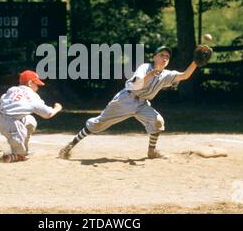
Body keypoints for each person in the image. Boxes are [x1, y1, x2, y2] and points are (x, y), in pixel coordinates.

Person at [58, 45, 200, 160]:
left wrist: (195, 62)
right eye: (161, 55)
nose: (164, 58)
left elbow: (185, 75)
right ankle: (70, 145)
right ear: (154, 57)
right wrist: (151, 74)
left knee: (157, 121)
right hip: (126, 99)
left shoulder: (166, 75)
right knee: (98, 123)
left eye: (167, 56)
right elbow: (136, 84)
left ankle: (152, 152)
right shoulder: (145, 67)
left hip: (142, 104)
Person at [0, 70, 62, 163]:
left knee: (30, 120)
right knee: (21, 156)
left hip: (2, 120)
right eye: (36, 84)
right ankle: (0, 158)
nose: (38, 87)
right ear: (30, 83)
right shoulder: (32, 96)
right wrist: (57, 108)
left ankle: (22, 148)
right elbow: (48, 114)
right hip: (13, 125)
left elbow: (2, 99)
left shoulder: (12, 89)